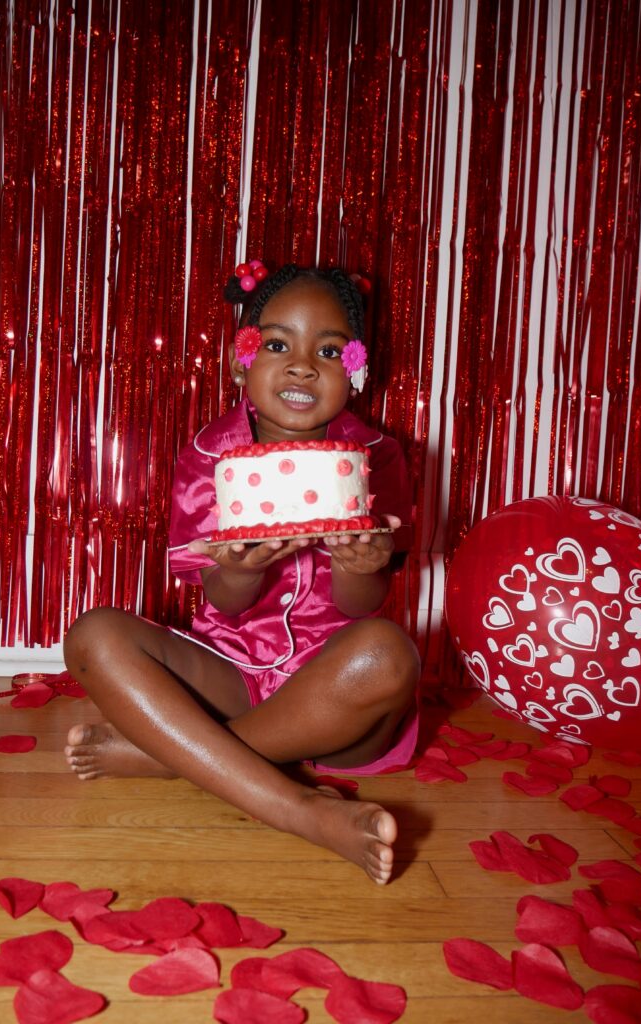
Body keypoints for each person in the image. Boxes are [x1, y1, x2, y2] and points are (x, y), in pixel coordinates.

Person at [63, 263, 420, 884]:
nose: (303, 365)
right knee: (93, 636)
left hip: (334, 702)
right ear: (241, 360)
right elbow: (223, 606)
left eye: (329, 350)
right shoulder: (208, 456)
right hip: (229, 674)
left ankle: (173, 754)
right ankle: (301, 809)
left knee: (388, 655)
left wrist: (360, 563)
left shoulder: (376, 458)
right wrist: (239, 572)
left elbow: (363, 607)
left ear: (356, 370)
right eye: (278, 344)